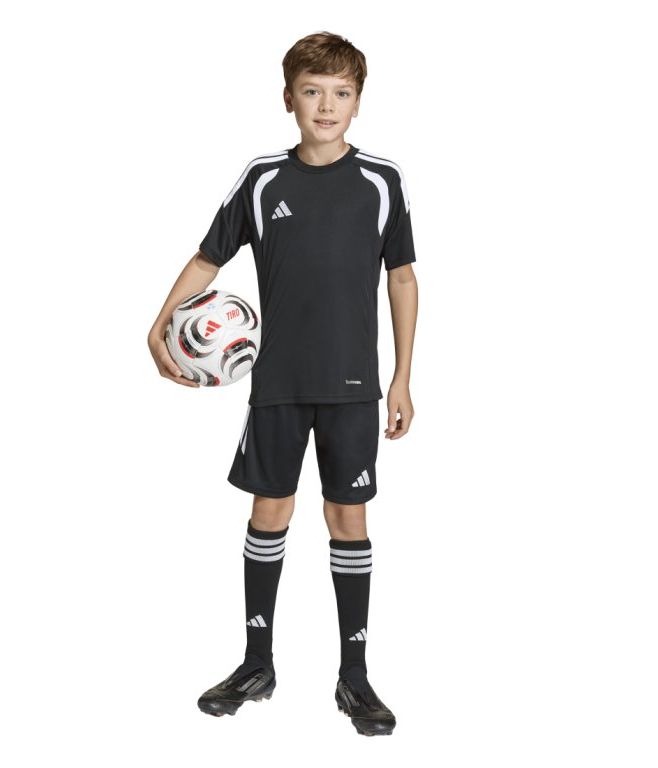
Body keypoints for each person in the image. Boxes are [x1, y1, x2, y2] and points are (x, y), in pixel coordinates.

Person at [146, 31, 418, 737]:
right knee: (270, 510)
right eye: (312, 91)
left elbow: (402, 278)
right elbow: (208, 259)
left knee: (348, 518)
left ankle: (354, 676)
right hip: (276, 381)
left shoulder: (381, 182)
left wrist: (402, 378)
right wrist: (161, 323)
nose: (326, 105)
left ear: (357, 103)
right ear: (289, 98)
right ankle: (256, 663)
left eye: (341, 93)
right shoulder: (263, 179)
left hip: (353, 385)